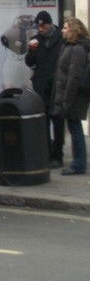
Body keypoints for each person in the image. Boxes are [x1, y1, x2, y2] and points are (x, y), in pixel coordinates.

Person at [24, 10, 64, 167]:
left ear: (49, 24)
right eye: (38, 26)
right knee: (44, 120)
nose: (40, 29)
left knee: (58, 120)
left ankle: (57, 154)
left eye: (43, 26)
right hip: (41, 84)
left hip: (56, 84)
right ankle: (46, 152)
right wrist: (31, 51)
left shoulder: (60, 38)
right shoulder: (35, 40)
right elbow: (29, 62)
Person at [51, 17, 90, 175]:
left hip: (74, 96)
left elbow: (74, 77)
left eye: (66, 28)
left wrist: (66, 100)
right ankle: (78, 163)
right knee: (74, 128)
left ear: (73, 30)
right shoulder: (70, 46)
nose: (62, 30)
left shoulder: (77, 49)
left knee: (75, 129)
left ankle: (78, 164)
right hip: (71, 95)